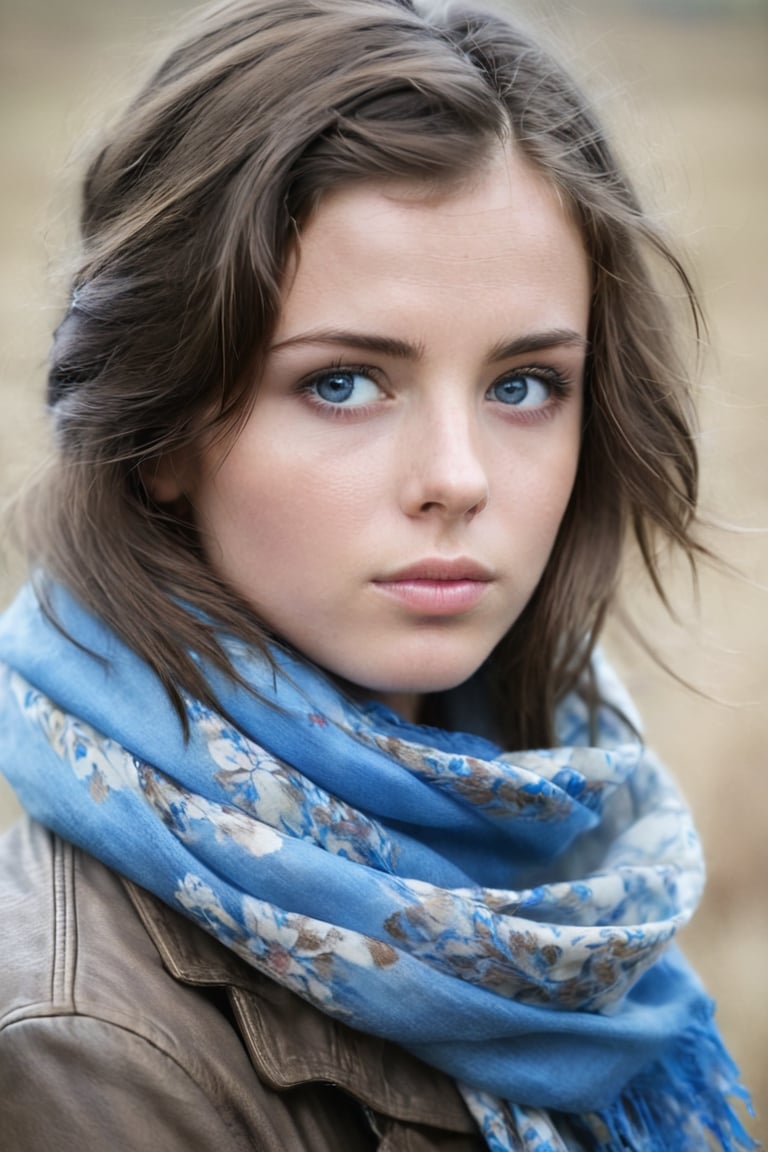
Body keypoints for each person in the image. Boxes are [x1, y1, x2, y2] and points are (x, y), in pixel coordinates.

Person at [0, 0, 757, 1148]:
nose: (457, 479)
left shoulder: (560, 851)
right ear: (159, 433)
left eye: (523, 385)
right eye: (344, 383)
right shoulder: (81, 1046)